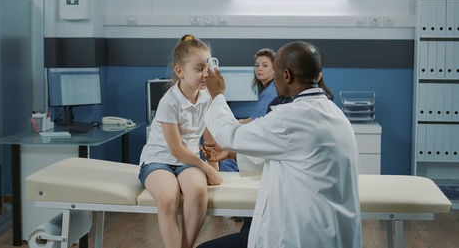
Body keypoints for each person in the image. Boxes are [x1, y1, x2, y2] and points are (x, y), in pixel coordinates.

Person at [201, 41, 362, 248]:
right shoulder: (333, 113)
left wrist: (217, 95)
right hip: (331, 232)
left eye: (275, 71)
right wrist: (233, 155)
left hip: (300, 237)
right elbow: (294, 157)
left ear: (286, 75)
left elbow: (230, 135)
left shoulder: (291, 117)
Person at [138, 34, 223, 248]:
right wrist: (207, 168)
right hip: (159, 159)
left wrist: (215, 168)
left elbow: (210, 140)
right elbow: (175, 149)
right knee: (168, 198)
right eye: (199, 69)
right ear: (180, 71)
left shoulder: (208, 98)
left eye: (208, 67)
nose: (206, 74)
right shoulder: (169, 101)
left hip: (188, 161)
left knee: (197, 191)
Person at [219, 48, 277, 172]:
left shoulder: (271, 91)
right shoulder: (270, 89)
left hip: (267, 140)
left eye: (265, 65)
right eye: (256, 65)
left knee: (227, 159)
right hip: (268, 138)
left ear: (274, 70)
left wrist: (233, 123)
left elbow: (255, 121)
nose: (259, 69)